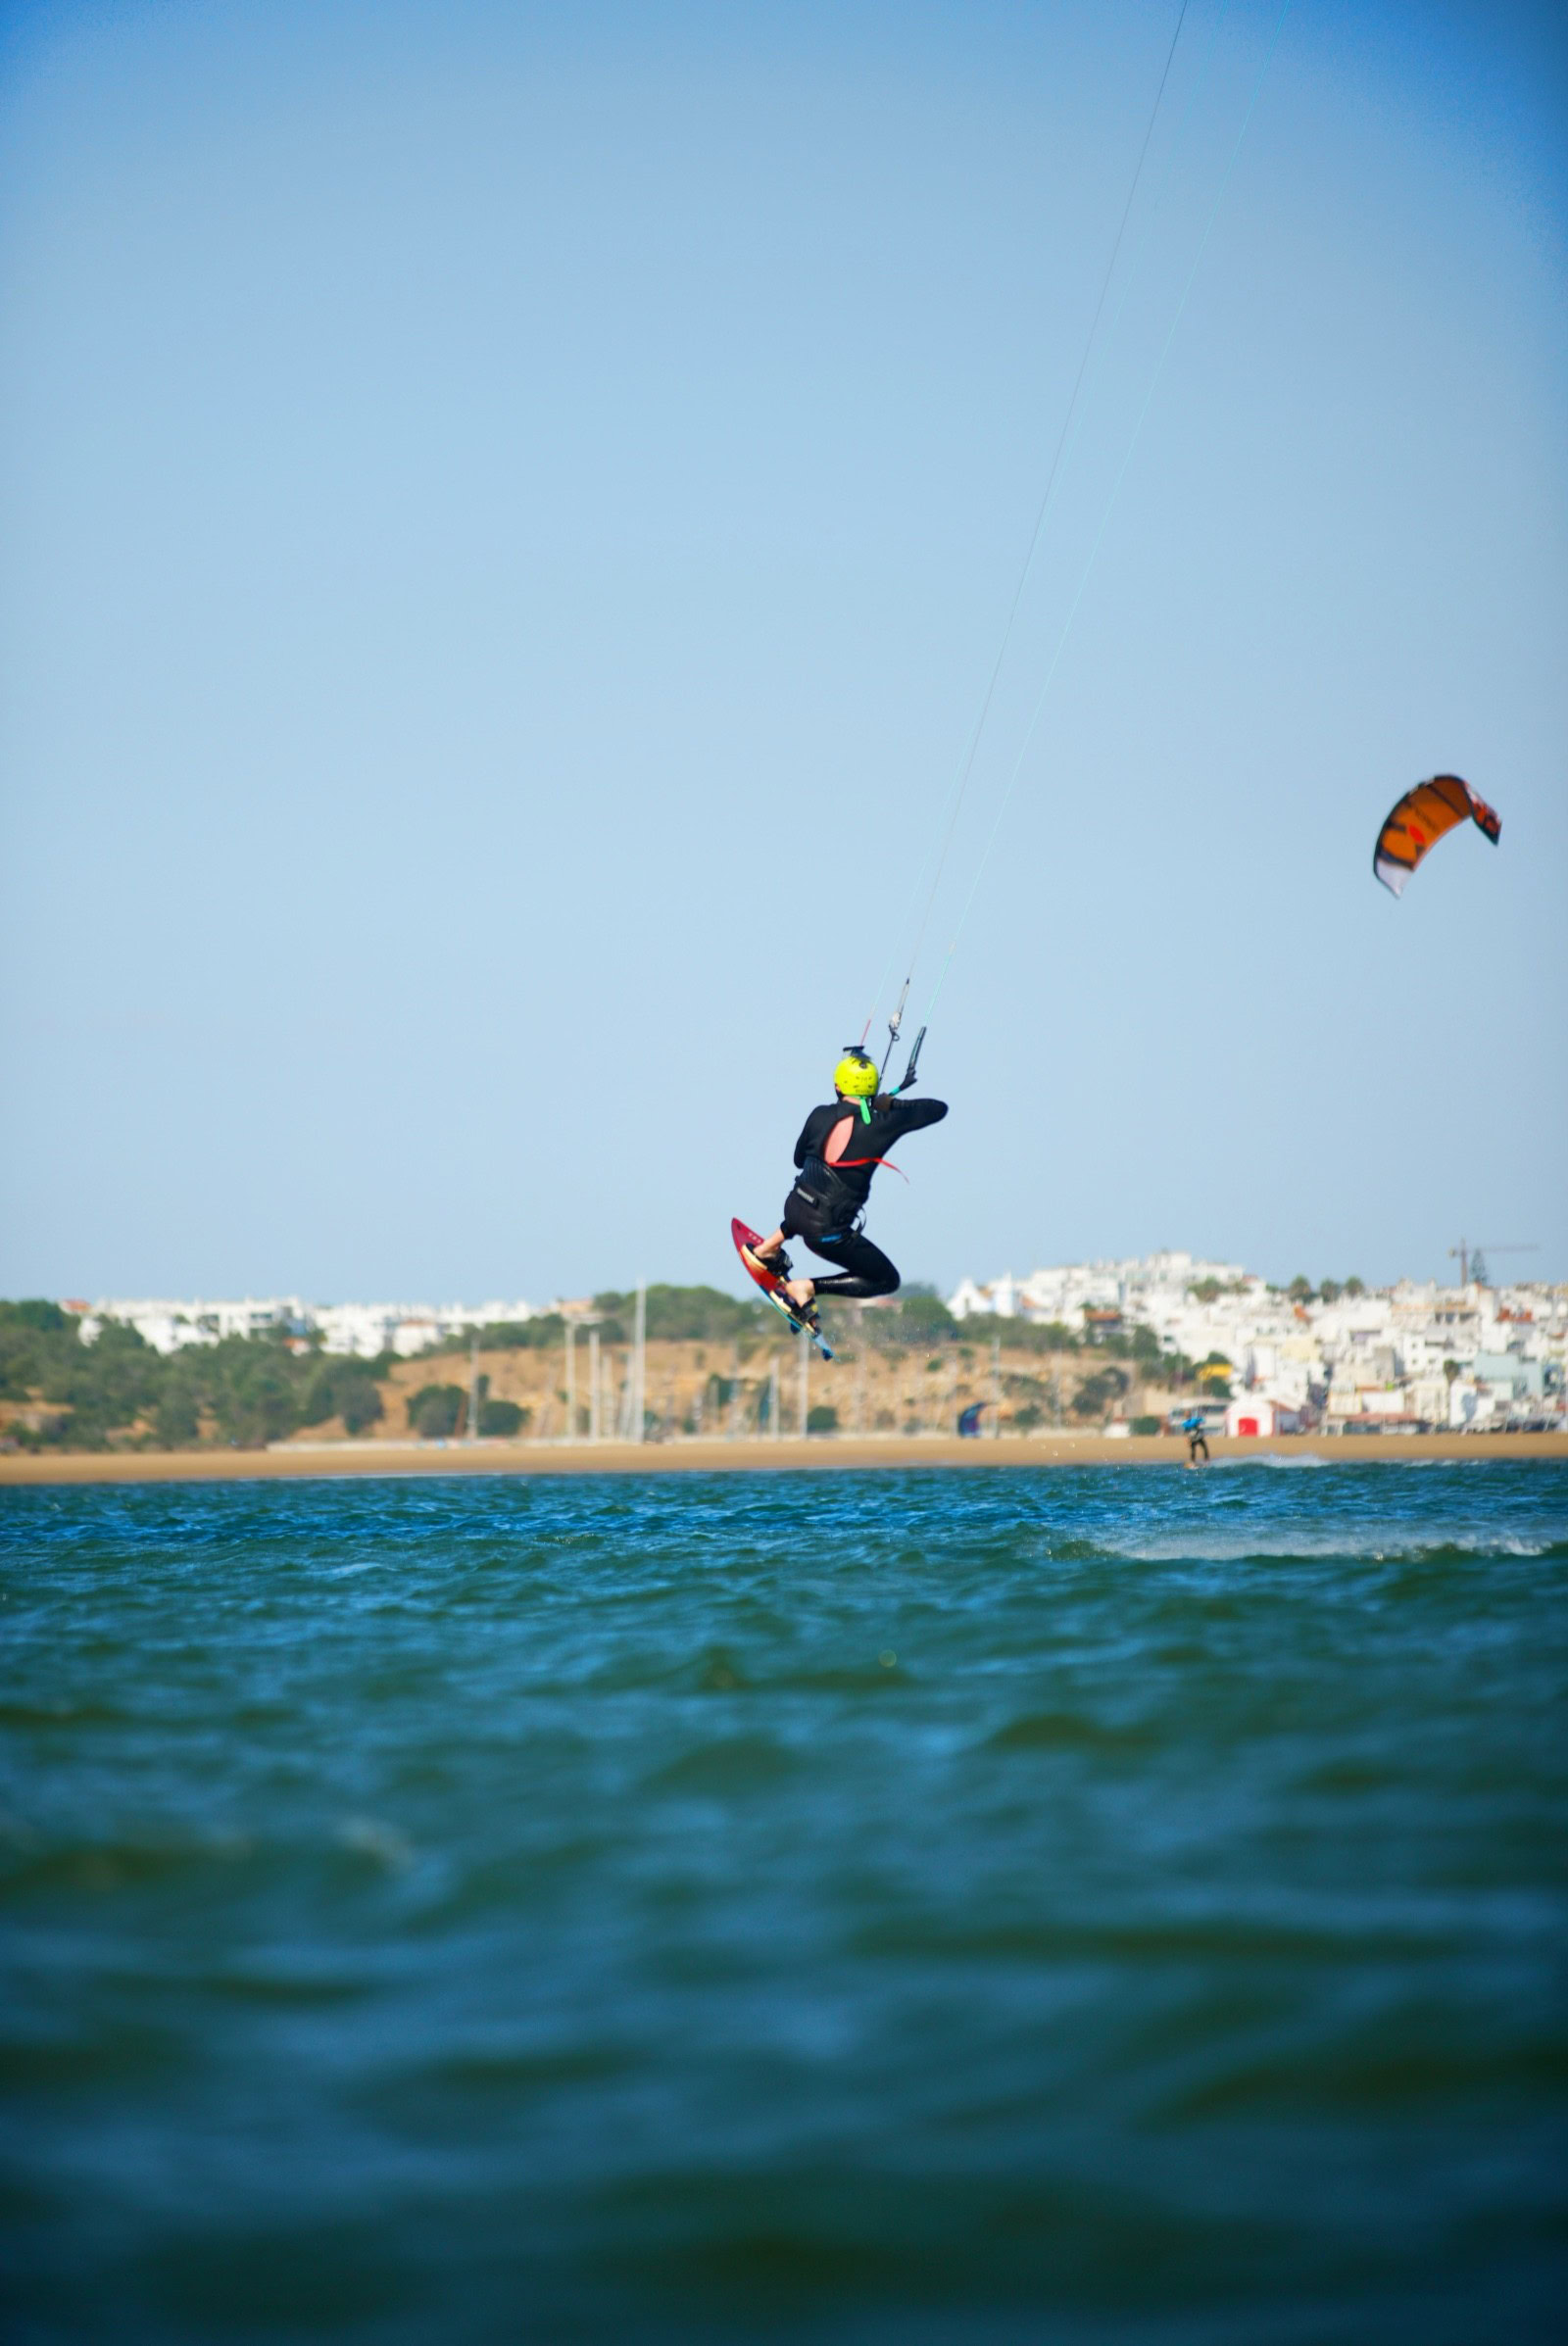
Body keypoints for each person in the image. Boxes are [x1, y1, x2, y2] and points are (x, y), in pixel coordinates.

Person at [745, 1049, 948, 1322]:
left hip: (794, 1209)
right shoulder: (881, 1124)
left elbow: (797, 1160)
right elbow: (937, 1109)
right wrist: (890, 1105)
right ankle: (806, 1287)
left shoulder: (819, 1114)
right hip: (827, 1234)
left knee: (814, 1194)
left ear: (837, 1086)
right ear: (873, 1089)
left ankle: (768, 1248)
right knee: (886, 1280)